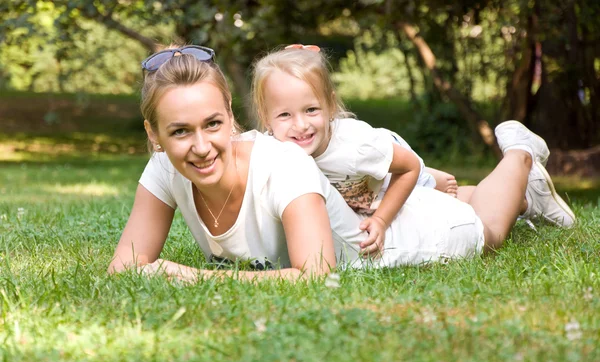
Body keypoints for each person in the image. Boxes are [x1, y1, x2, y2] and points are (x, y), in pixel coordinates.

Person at [109, 45, 575, 283]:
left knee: (487, 228)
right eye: (179, 131)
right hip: (363, 206)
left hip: (399, 241)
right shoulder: (164, 169)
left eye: (212, 123)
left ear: (231, 113)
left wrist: (193, 277)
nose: (202, 145)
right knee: (452, 198)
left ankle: (520, 157)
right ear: (154, 136)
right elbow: (125, 266)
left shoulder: (284, 164)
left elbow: (316, 274)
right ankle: (479, 186)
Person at [251, 45, 459, 256]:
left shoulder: (356, 147)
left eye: (311, 110)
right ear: (266, 116)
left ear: (331, 105)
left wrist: (380, 220)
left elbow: (408, 167)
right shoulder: (271, 150)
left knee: (442, 200)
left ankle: (435, 179)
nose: (301, 125)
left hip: (393, 172)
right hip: (364, 184)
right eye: (285, 115)